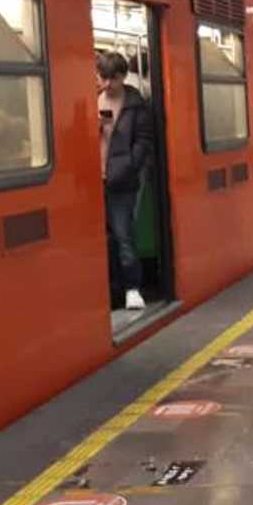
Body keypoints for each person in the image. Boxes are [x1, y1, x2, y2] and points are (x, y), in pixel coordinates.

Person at [98, 51, 154, 311]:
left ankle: (133, 287)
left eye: (114, 79)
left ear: (123, 77)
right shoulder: (93, 100)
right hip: (94, 179)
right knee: (104, 238)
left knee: (123, 235)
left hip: (122, 179)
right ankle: (111, 289)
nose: (108, 84)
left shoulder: (135, 105)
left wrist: (127, 168)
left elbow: (143, 143)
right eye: (104, 78)